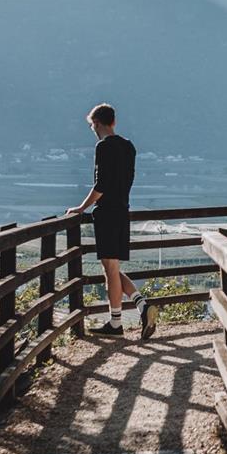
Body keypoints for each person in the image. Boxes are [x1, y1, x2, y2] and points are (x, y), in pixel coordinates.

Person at [65, 103, 142, 333]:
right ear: (114, 122)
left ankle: (116, 323)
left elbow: (101, 186)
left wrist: (81, 208)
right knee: (112, 267)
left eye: (91, 125)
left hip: (107, 213)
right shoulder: (129, 147)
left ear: (96, 123)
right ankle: (141, 304)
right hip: (123, 210)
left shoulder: (103, 147)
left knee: (109, 268)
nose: (92, 129)